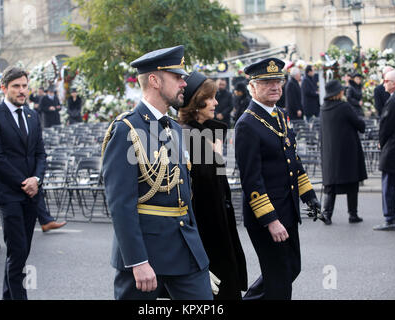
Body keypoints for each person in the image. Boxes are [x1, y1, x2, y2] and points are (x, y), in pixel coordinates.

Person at [101, 45, 212, 300]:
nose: (184, 83)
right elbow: (121, 204)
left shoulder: (173, 127)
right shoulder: (126, 129)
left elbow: (184, 193)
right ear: (154, 80)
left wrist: (198, 253)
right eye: (177, 77)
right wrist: (137, 261)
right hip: (146, 253)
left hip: (184, 247)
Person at [235, 58, 321, 300]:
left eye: (278, 82)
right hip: (266, 216)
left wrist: (309, 196)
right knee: (279, 281)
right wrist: (271, 220)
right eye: (267, 83)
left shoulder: (281, 115)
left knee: (291, 267)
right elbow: (251, 180)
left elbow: (292, 160)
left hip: (288, 209)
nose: (275, 87)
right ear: (252, 87)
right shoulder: (247, 125)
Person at [178, 71, 248, 300]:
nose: (216, 102)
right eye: (210, 98)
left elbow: (218, 184)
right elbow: (199, 192)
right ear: (196, 102)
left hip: (219, 227)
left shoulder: (208, 132)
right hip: (206, 234)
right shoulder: (188, 136)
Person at [0, 66, 47, 300]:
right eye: (16, 86)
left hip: (31, 194)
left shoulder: (32, 115)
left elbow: (40, 153)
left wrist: (36, 179)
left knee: (22, 253)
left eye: (24, 86)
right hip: (8, 195)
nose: (22, 91)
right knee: (17, 252)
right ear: (3, 88)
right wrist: (24, 182)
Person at [319, 80, 367, 225]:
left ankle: (327, 214)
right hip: (347, 151)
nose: (343, 92)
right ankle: (353, 214)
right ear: (337, 92)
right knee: (352, 182)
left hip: (330, 153)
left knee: (331, 185)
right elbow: (360, 125)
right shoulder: (344, 107)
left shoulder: (323, 109)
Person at [373, 70, 395, 231]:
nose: (383, 83)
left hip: (393, 150)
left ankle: (390, 219)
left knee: (388, 187)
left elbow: (385, 126)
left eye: (386, 81)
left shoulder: (393, 101)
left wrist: (381, 142)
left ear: (393, 84)